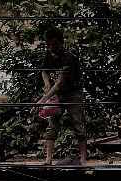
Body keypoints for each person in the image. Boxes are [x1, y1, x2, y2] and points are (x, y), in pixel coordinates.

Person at [36, 26, 88, 168]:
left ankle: (83, 159)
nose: (51, 47)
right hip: (57, 94)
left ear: (61, 43)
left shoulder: (69, 57)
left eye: (54, 44)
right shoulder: (49, 54)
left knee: (78, 124)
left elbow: (60, 82)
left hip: (73, 93)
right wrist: (47, 84)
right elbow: (44, 71)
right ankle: (48, 159)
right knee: (52, 125)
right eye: (49, 44)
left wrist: (44, 99)